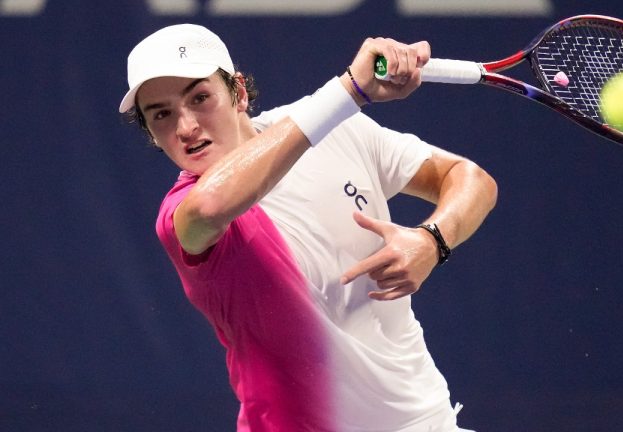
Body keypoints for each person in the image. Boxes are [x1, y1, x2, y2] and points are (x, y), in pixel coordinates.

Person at [119, 24, 497, 432]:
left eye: (200, 97)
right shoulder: (181, 216)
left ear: (239, 93)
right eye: (162, 114)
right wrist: (350, 91)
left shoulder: (335, 128)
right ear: (152, 135)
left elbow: (469, 178)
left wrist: (432, 239)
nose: (187, 126)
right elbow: (212, 205)